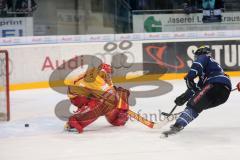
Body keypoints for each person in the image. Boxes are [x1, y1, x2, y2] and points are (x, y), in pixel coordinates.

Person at [163, 46, 232, 136]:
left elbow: (197, 66)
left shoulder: (205, 57)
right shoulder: (210, 71)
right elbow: (198, 89)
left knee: (194, 107)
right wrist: (184, 97)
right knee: (197, 104)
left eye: (196, 57)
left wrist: (190, 76)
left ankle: (178, 125)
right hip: (223, 95)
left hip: (214, 85)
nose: (196, 59)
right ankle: (184, 118)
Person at [64, 63, 130, 133]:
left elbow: (110, 89)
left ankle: (114, 118)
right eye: (107, 74)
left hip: (86, 93)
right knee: (102, 104)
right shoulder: (96, 79)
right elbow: (110, 96)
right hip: (78, 98)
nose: (108, 76)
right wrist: (121, 103)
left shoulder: (98, 74)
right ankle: (75, 122)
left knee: (110, 101)